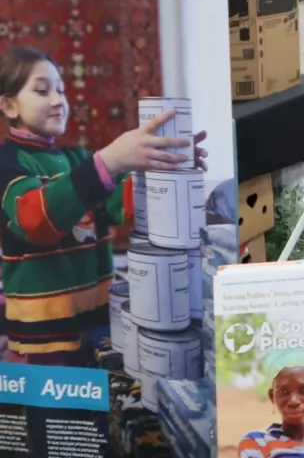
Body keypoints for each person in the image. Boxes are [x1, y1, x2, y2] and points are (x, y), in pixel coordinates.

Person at [0, 46, 204, 365]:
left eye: (61, 91)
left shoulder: (78, 159)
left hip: (97, 319)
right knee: (57, 396)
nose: (57, 100)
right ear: (9, 105)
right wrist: (109, 160)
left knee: (100, 391)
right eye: (42, 90)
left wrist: (169, 169)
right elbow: (37, 220)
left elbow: (120, 205)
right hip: (42, 335)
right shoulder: (8, 163)